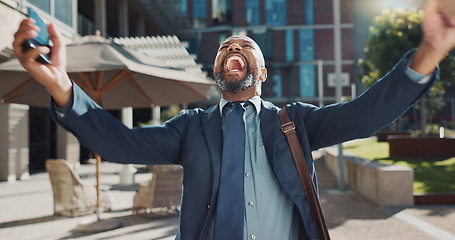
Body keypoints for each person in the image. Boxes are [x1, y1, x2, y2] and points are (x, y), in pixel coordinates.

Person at [12, 0, 455, 239]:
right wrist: (61, 88)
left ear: (261, 73)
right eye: (225, 48)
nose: (233, 49)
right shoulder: (191, 128)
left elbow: (366, 114)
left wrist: (430, 53)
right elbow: (119, 143)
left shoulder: (295, 122)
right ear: (217, 71)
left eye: (246, 47)